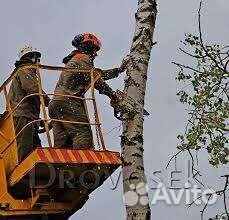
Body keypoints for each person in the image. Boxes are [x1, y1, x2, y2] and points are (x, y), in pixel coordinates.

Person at [49, 33, 128, 149]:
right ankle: (83, 166)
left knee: (63, 142)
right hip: (69, 101)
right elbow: (96, 80)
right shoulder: (83, 58)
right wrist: (113, 95)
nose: (96, 54)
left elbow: (96, 75)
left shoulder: (76, 60)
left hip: (56, 104)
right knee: (82, 134)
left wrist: (118, 70)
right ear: (88, 47)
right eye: (95, 50)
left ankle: (64, 167)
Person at [8, 46, 50, 162]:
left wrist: (40, 121)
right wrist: (49, 102)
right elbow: (32, 88)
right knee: (25, 150)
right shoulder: (25, 69)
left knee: (36, 151)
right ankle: (22, 170)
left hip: (28, 117)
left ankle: (35, 172)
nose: (39, 63)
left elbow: (29, 101)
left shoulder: (26, 72)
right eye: (38, 60)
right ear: (32, 58)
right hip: (23, 117)